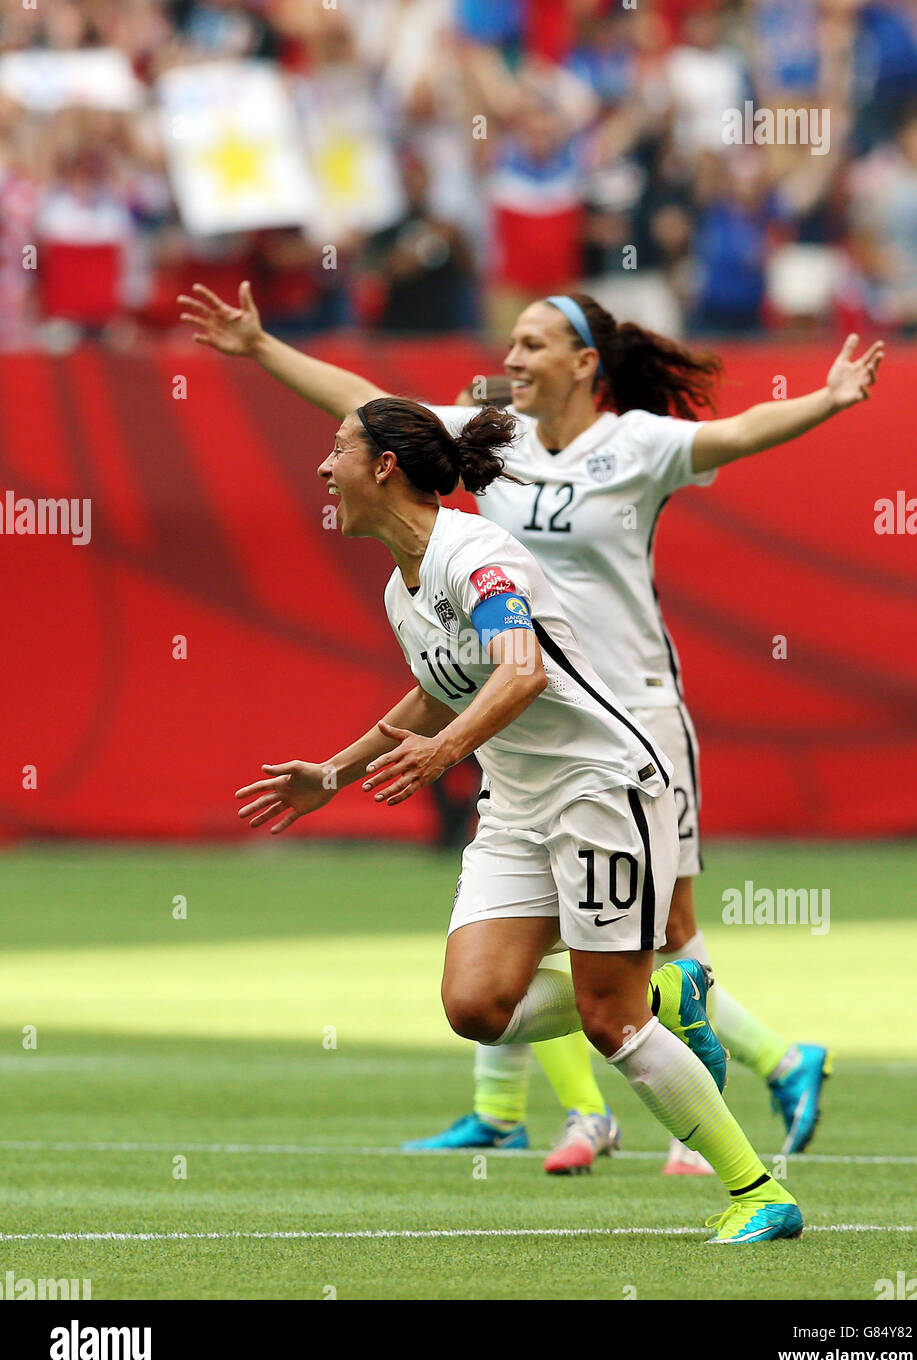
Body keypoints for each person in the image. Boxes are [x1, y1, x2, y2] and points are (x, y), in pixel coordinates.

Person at [178, 282, 884, 1175]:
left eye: (532, 344)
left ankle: (705, 1117)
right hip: (510, 721)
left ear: (585, 363)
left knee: (659, 930)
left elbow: (738, 434)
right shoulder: (483, 448)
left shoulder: (632, 445)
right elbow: (363, 411)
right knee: (523, 960)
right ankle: (534, 1103)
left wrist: (827, 398)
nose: (510, 359)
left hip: (624, 713)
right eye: (508, 343)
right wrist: (260, 346)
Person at [234, 393, 803, 1244]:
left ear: (385, 466)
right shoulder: (405, 586)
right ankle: (663, 985)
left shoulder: (477, 554)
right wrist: (335, 771)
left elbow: (521, 671)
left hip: (598, 790)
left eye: (338, 448)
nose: (323, 467)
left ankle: (757, 1191)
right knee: (474, 1005)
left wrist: (448, 751)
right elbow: (441, 686)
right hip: (516, 807)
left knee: (608, 1022)